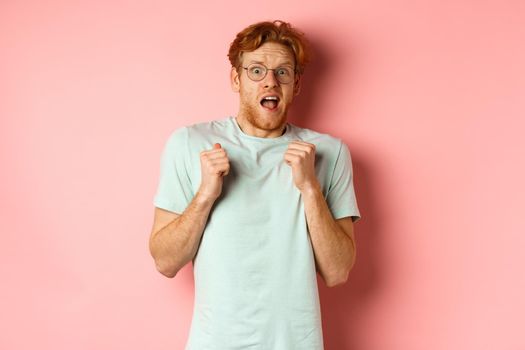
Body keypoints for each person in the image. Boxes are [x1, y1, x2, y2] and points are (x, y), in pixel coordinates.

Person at [149, 20, 361, 350]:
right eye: (257, 71)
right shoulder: (190, 144)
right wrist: (205, 195)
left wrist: (310, 189)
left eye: (283, 72)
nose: (270, 83)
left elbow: (337, 272)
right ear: (236, 78)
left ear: (296, 85)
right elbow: (165, 261)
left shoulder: (329, 152)